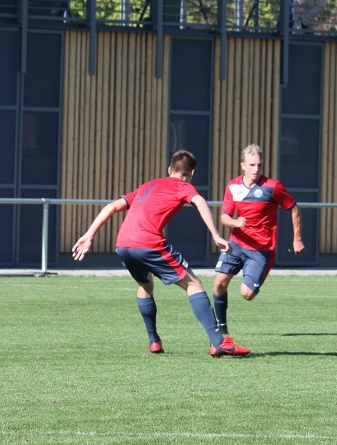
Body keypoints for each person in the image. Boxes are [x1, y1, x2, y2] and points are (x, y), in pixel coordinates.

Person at [71, 150, 250, 358]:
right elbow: (200, 201)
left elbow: (112, 206)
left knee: (145, 285)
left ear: (169, 169)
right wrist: (216, 235)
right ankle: (219, 342)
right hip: (148, 243)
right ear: (192, 173)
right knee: (194, 284)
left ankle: (154, 340)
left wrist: (89, 235)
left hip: (123, 244)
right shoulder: (183, 186)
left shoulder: (148, 185)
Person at [213, 144, 305, 339]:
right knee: (219, 283)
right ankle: (221, 330)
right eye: (252, 165)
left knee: (247, 294)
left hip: (261, 249)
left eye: (259, 165)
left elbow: (294, 208)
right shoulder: (233, 186)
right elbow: (224, 217)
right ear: (243, 165)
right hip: (236, 243)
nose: (256, 169)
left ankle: (252, 275)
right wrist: (235, 222)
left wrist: (297, 239)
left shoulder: (273, 187)